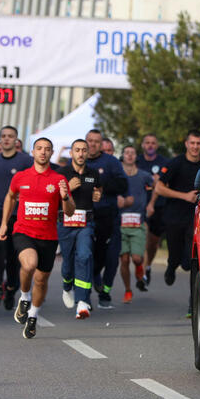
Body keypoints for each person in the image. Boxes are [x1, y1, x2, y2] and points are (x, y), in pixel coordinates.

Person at [0, 137, 75, 339]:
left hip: (48, 236)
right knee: (29, 264)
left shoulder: (59, 179)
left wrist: (65, 197)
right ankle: (24, 297)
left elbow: (69, 212)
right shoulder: (21, 177)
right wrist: (4, 223)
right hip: (24, 231)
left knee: (41, 281)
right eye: (39, 148)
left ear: (52, 153)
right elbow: (10, 196)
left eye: (47, 149)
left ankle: (33, 315)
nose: (43, 152)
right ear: (32, 152)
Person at [0, 125, 33, 310]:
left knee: (12, 253)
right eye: (4, 136)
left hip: (19, 213)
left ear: (16, 140)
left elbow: (35, 180)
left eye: (10, 136)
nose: (7, 139)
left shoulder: (26, 161)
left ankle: (10, 288)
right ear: (0, 140)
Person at [154, 129, 200, 287]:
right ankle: (171, 267)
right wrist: (184, 196)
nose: (195, 146)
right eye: (192, 143)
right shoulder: (176, 163)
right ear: (186, 144)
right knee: (174, 255)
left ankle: (193, 294)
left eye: (198, 143)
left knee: (189, 261)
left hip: (196, 217)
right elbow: (159, 188)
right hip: (175, 216)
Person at [57, 138, 101, 319]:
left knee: (84, 256)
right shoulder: (62, 173)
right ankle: (67, 285)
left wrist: (98, 194)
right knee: (68, 263)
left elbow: (98, 190)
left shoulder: (94, 173)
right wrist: (68, 188)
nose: (81, 153)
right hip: (65, 223)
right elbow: (53, 197)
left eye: (84, 150)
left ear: (88, 152)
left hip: (86, 223)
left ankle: (82, 301)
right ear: (71, 153)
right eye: (77, 150)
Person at [86, 129, 128, 309]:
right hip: (86, 217)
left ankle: (105, 292)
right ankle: (85, 295)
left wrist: (102, 186)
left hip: (109, 217)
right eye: (90, 140)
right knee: (87, 256)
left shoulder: (111, 162)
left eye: (96, 141)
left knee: (111, 258)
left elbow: (123, 184)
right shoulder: (79, 161)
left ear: (101, 144)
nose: (92, 144)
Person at [118, 145, 151, 303]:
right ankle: (128, 290)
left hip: (138, 223)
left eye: (132, 153)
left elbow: (157, 187)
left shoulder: (144, 176)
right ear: (122, 156)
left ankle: (139, 268)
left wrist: (151, 204)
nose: (130, 155)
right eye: (127, 153)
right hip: (120, 223)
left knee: (137, 258)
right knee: (124, 260)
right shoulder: (118, 175)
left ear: (136, 156)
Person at [135, 133, 168, 287]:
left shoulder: (164, 163)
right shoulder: (137, 162)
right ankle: (142, 273)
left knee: (153, 243)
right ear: (143, 145)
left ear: (157, 145)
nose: (150, 145)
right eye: (147, 142)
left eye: (153, 143)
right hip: (140, 206)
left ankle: (147, 267)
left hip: (159, 206)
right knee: (143, 236)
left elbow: (166, 184)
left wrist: (157, 183)